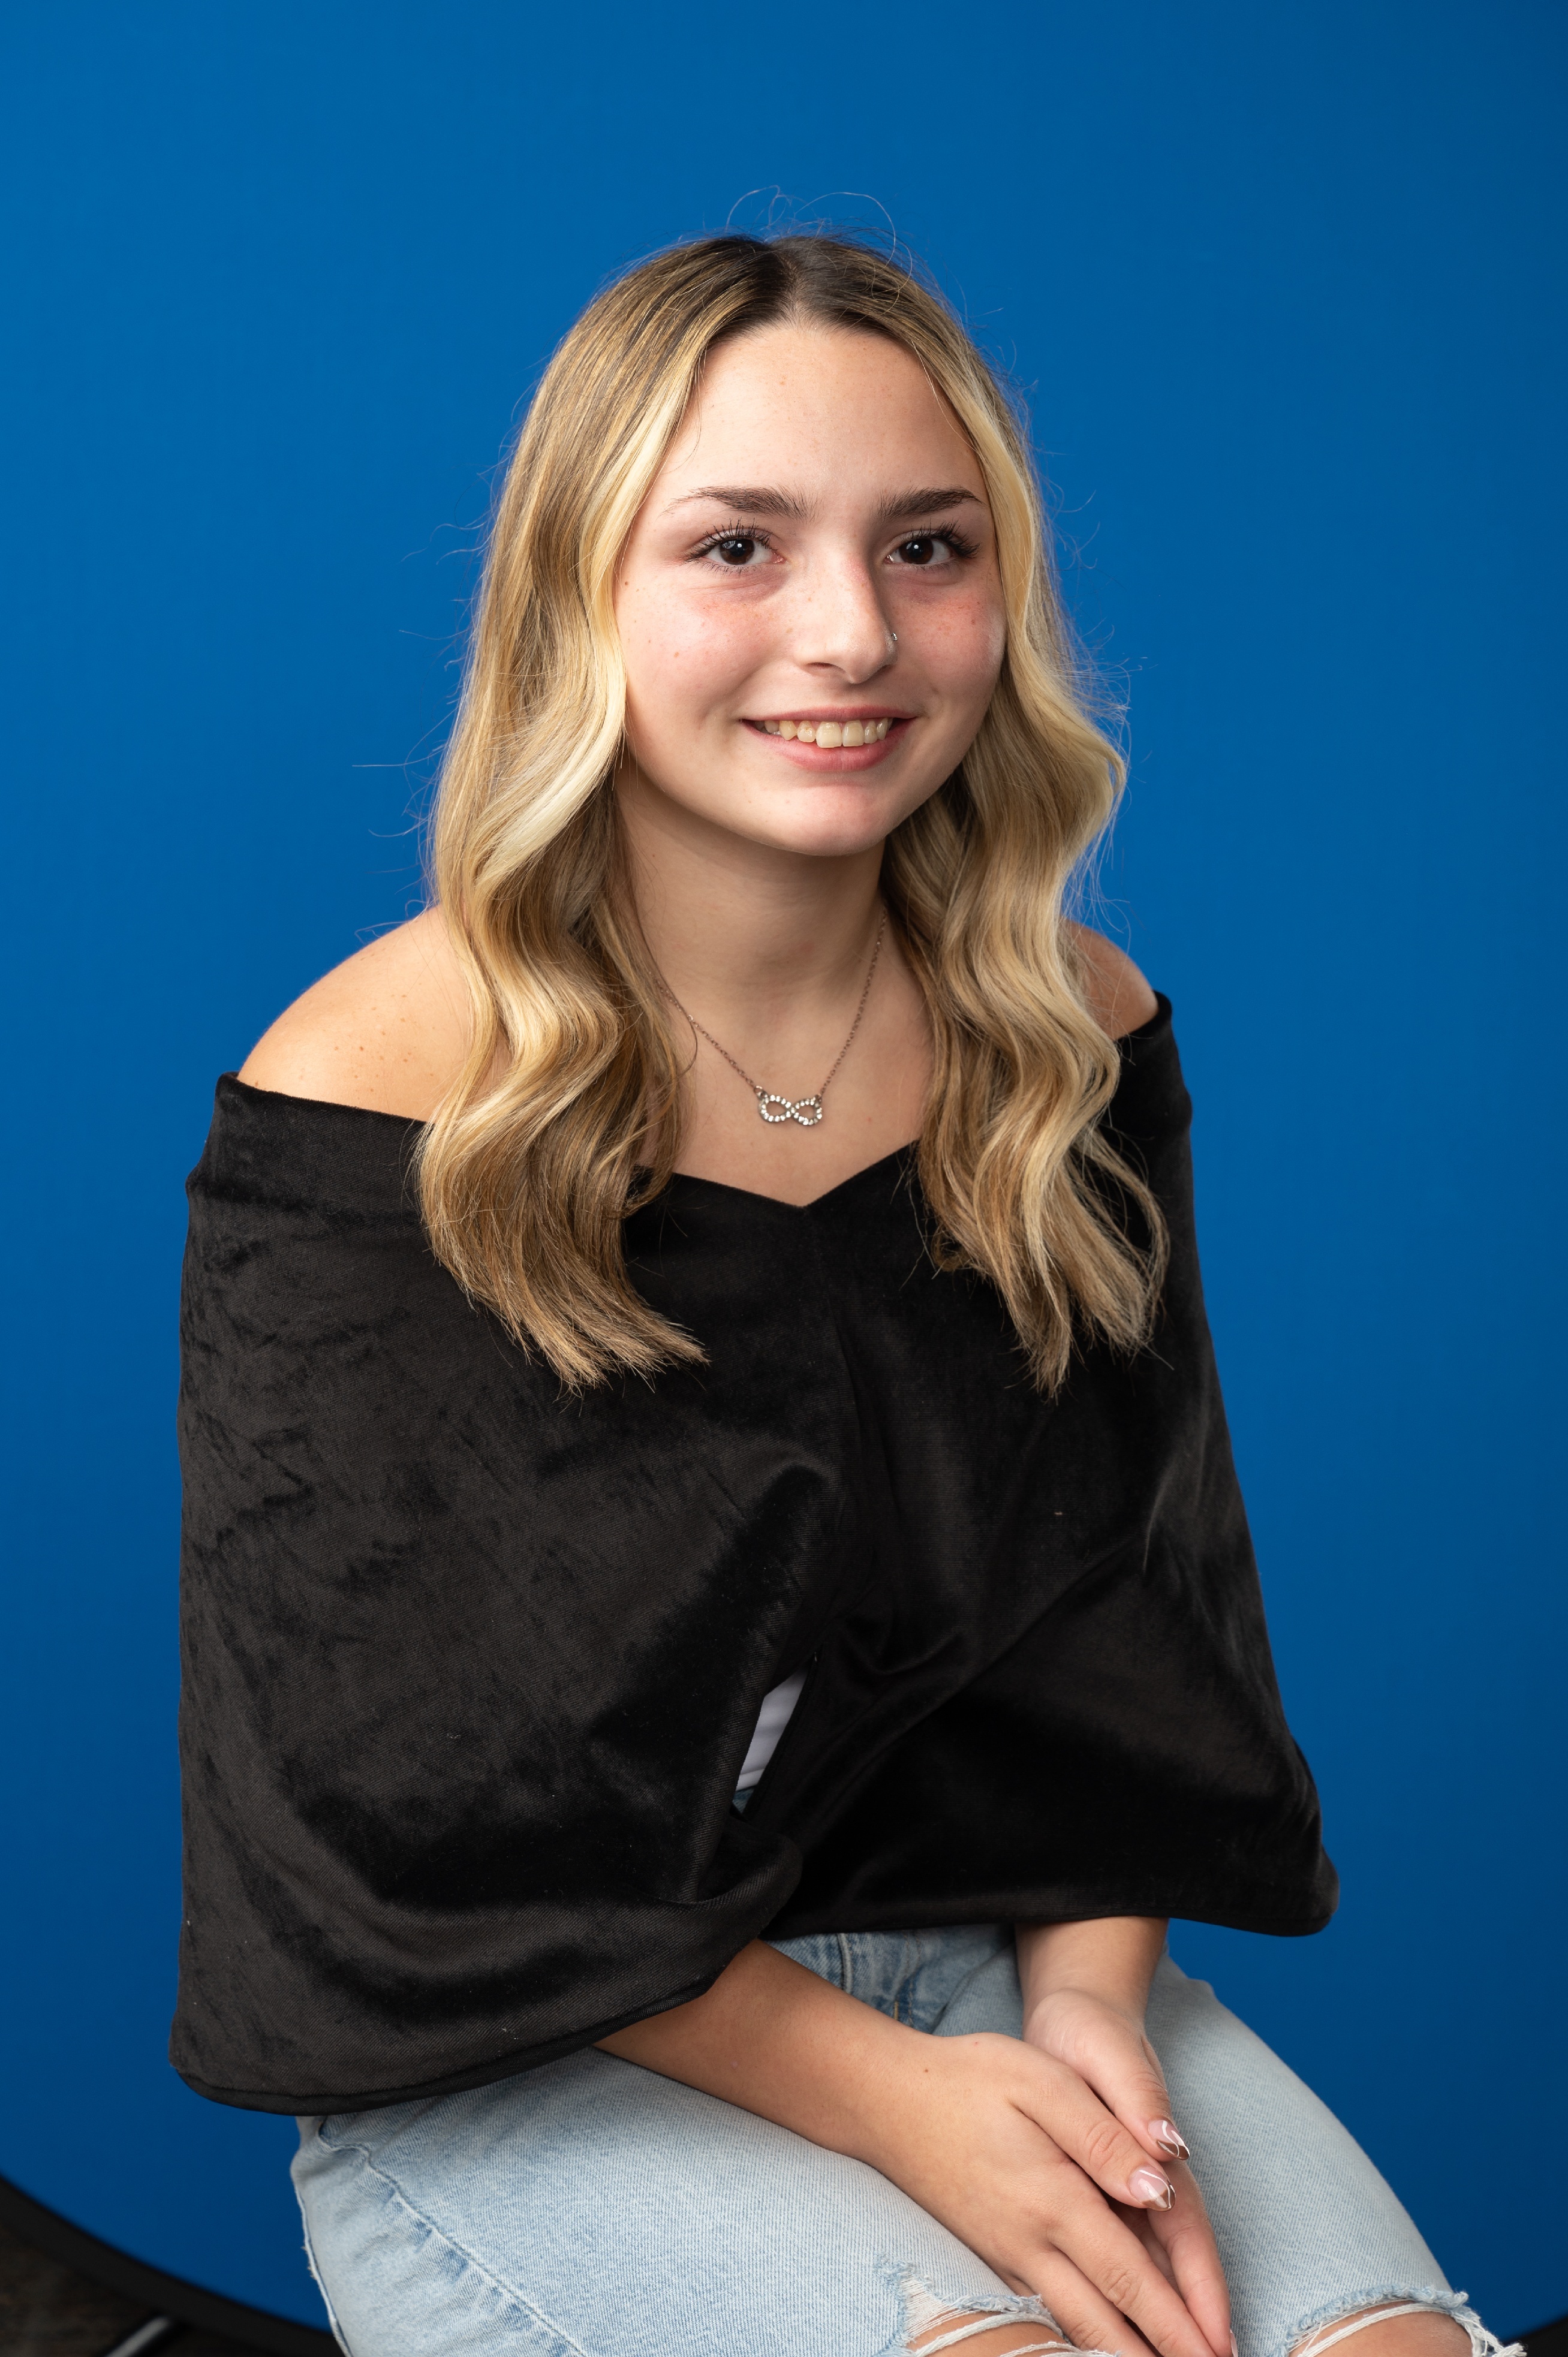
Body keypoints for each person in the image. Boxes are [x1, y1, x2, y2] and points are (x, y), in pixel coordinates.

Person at [173, 233, 1510, 2357]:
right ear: (578, 593)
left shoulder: (1066, 1029)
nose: (854, 633)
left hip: (989, 1955)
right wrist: (907, 2114)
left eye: (928, 546)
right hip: (538, 2055)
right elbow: (405, 1832)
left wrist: (1090, 2018)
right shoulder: (380, 1089)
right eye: (738, 545)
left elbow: (1124, 1629)